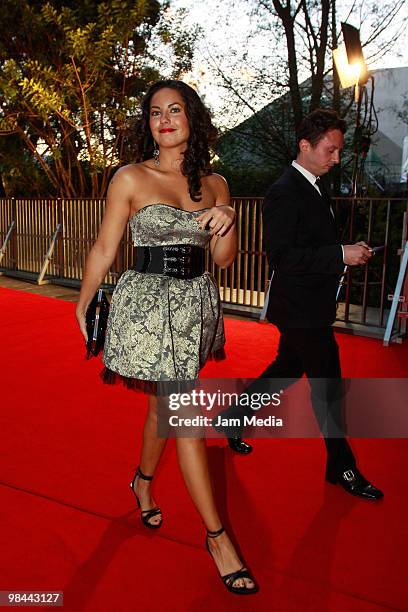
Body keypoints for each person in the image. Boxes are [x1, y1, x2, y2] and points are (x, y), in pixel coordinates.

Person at [76, 80, 258, 594]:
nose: (165, 118)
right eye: (155, 112)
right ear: (149, 124)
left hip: (195, 306)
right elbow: (105, 246)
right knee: (186, 415)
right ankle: (218, 538)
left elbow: (223, 261)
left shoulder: (216, 182)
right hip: (146, 306)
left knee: (162, 406)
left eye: (175, 109)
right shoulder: (131, 177)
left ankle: (143, 482)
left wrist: (228, 218)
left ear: (192, 119)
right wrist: (84, 299)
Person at [215, 108, 383, 501]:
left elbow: (313, 245)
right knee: (329, 385)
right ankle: (342, 466)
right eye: (330, 149)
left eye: (338, 151)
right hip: (300, 309)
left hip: (310, 305)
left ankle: (232, 418)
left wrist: (344, 252)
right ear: (305, 146)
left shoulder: (314, 185)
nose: (336, 158)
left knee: (287, 368)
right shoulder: (284, 191)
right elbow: (283, 257)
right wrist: (340, 254)